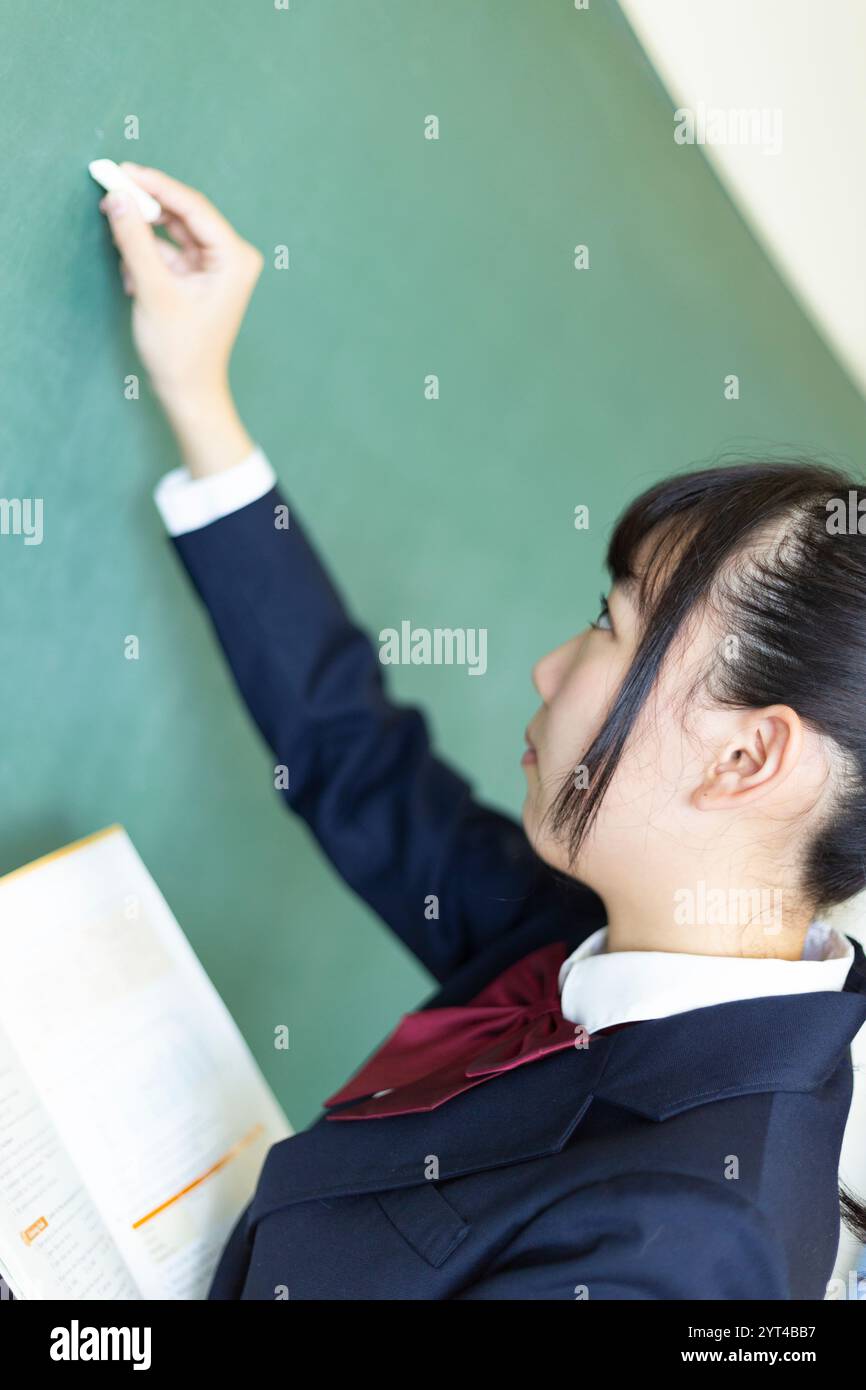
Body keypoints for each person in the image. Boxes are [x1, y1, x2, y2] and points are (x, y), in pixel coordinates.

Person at [97, 164, 866, 1300]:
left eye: (606, 627)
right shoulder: (615, 936)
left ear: (745, 756)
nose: (548, 667)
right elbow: (355, 757)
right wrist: (198, 393)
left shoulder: (695, 1248)